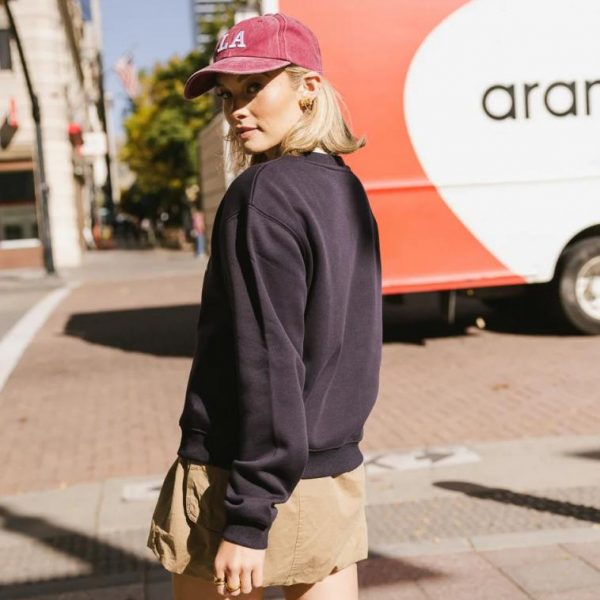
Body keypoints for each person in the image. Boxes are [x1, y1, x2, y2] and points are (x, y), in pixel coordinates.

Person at [146, 12, 382, 600]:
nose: (237, 109)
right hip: (329, 473)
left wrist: (249, 517)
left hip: (238, 473)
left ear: (309, 88)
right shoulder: (344, 187)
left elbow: (268, 359)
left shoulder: (260, 194)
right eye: (228, 94)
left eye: (254, 87)